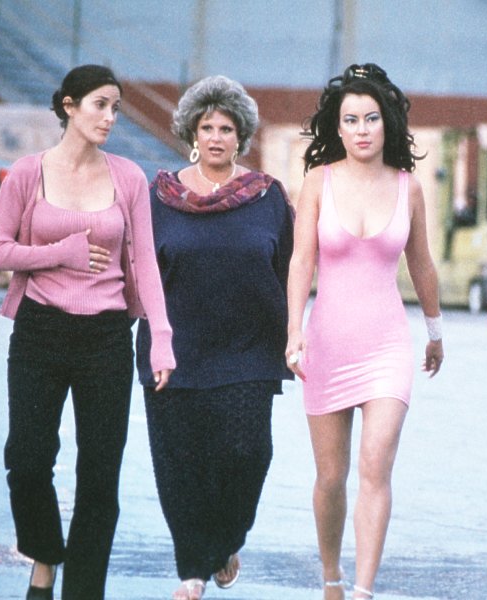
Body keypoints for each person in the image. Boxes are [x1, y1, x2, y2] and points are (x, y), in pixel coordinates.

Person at [0, 64, 175, 600]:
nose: (110, 117)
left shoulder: (129, 178)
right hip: (39, 332)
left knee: (99, 477)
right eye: (100, 104)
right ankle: (44, 554)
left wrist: (161, 337)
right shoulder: (28, 173)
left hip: (106, 338)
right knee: (26, 460)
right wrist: (59, 253)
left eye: (116, 107)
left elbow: (146, 263)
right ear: (69, 106)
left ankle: (83, 592)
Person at [286, 63, 444, 600]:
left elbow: (421, 264)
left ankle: (363, 591)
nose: (361, 129)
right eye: (350, 119)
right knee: (331, 478)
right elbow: (301, 261)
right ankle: (331, 577)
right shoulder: (317, 181)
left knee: (376, 466)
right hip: (327, 342)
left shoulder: (408, 187)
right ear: (337, 127)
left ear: (387, 123)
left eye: (371, 118)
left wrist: (435, 331)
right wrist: (293, 331)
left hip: (387, 347)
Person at [133, 74, 294, 600]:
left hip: (249, 348)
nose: (217, 137)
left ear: (240, 135)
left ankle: (225, 542)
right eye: (208, 128)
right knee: (179, 465)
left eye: (227, 128)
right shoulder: (160, 197)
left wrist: (296, 332)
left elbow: (291, 268)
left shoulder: (267, 197)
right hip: (175, 349)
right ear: (192, 133)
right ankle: (192, 571)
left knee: (248, 453)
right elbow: (140, 272)